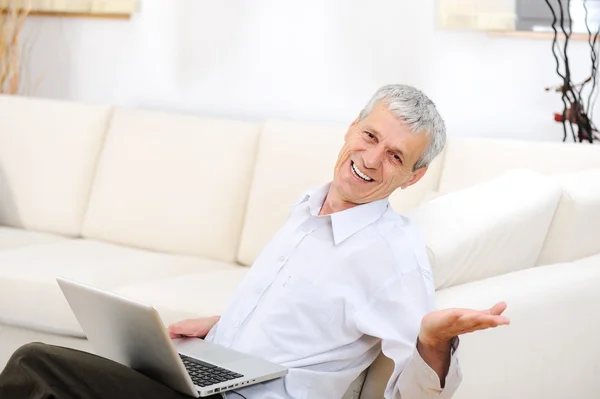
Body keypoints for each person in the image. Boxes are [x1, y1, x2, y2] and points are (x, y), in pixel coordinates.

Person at [0, 84, 509, 399]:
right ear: (351, 129)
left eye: (396, 157)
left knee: (37, 364)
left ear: (413, 179)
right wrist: (224, 325)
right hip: (212, 375)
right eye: (370, 137)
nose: (373, 159)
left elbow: (413, 397)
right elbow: (310, 313)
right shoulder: (309, 208)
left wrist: (433, 344)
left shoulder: (393, 258)